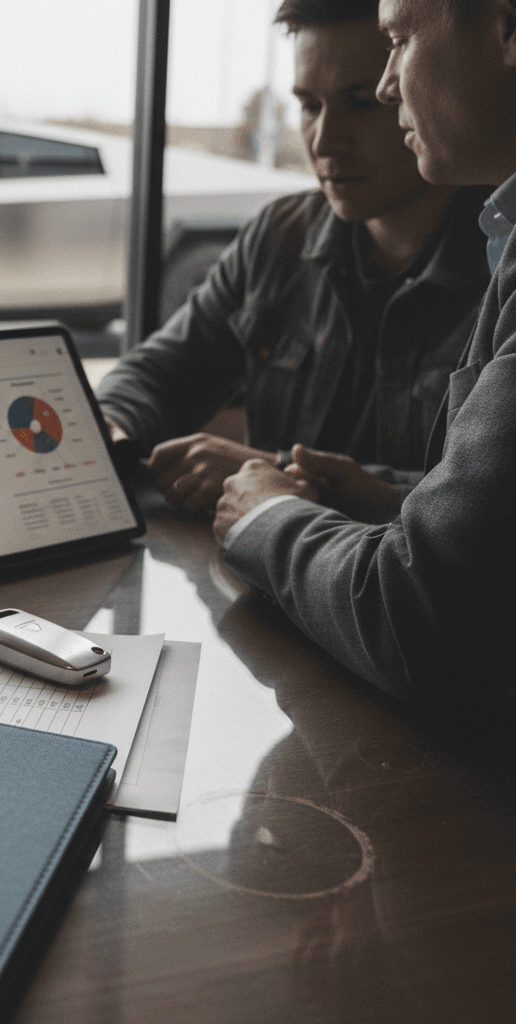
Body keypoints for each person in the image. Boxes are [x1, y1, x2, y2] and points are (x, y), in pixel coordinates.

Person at [214, 0, 516, 709]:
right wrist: (387, 495)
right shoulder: (281, 234)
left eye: (400, 39)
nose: (388, 85)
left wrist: (264, 515)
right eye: (308, 105)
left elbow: (421, 620)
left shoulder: (492, 256)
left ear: (507, 28)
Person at [95, 0, 490, 514]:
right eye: (309, 105)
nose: (325, 141)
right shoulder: (278, 237)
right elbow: (159, 375)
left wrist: (274, 475)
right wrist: (107, 427)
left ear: (412, 88)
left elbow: (484, 508)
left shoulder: (501, 263)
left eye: (362, 103)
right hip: (263, 561)